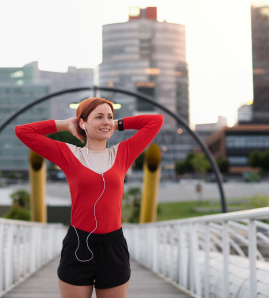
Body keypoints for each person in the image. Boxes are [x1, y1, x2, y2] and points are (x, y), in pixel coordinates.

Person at [15, 97, 164, 298]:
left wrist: (117, 124)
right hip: (78, 245)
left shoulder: (122, 153)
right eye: (99, 117)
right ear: (82, 123)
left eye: (110, 116)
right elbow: (22, 131)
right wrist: (66, 124)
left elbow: (156, 121)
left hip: (113, 247)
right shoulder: (68, 154)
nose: (106, 121)